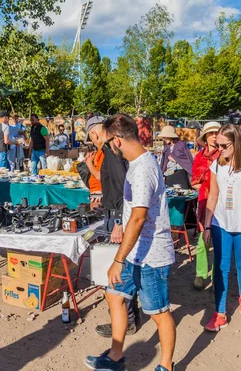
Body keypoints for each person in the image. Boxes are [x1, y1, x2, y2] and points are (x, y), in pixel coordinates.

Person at [85, 114, 176, 371]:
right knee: (113, 295)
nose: (106, 146)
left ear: (117, 140)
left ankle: (166, 366)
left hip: (151, 256)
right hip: (135, 250)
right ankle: (115, 357)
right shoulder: (136, 163)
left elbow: (138, 218)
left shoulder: (143, 169)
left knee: (158, 313)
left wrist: (117, 259)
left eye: (107, 141)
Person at [202, 123, 241, 332]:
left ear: (236, 143)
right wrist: (207, 225)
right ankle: (220, 312)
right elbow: (213, 195)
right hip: (221, 223)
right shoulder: (216, 164)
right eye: (217, 145)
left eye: (223, 145)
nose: (219, 149)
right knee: (220, 267)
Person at [87, 117, 141, 339]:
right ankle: (129, 316)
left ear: (95, 134)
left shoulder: (110, 151)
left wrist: (118, 221)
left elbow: (121, 186)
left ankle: (125, 321)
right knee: (121, 269)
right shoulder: (111, 152)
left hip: (117, 217)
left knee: (117, 272)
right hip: (114, 213)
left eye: (91, 137)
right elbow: (111, 182)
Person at [190, 121, 221, 290]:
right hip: (204, 202)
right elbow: (194, 181)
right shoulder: (199, 157)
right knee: (203, 240)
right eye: (211, 133)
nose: (214, 136)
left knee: (219, 241)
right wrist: (207, 186)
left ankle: (217, 276)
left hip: (223, 202)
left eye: (216, 132)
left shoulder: (225, 155)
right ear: (206, 137)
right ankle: (201, 274)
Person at [84, 116, 106, 204]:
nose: (92, 142)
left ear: (95, 134)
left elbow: (101, 176)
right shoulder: (101, 150)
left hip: (99, 195)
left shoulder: (107, 151)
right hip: (96, 192)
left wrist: (89, 163)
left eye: (91, 138)